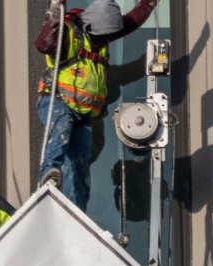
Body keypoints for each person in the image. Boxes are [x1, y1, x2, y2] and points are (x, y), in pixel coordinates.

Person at [35, 0, 159, 209]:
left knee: (79, 165)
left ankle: (76, 212)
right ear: (91, 28)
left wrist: (148, 4)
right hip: (59, 101)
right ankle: (49, 176)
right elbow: (44, 44)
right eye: (102, 35)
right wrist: (55, 11)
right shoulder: (68, 36)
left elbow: (129, 22)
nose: (105, 39)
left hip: (84, 112)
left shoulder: (100, 35)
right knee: (60, 132)